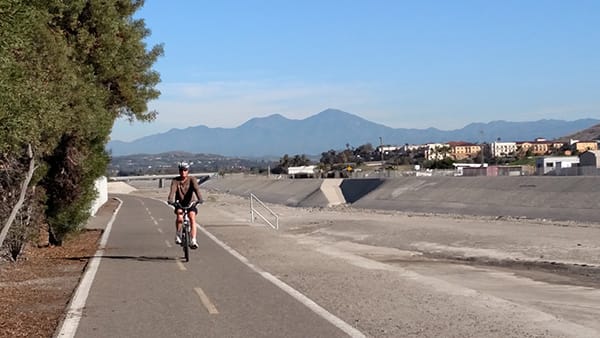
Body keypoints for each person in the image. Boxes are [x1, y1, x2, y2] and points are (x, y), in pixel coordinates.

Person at [167, 161, 203, 249]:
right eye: (181, 170)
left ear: (188, 171)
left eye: (185, 170)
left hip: (191, 203)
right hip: (180, 203)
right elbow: (172, 191)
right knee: (179, 216)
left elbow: (197, 189)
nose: (183, 172)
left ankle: (193, 240)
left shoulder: (192, 179)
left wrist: (200, 198)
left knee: (192, 217)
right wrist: (170, 200)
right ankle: (178, 234)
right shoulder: (175, 180)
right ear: (179, 171)